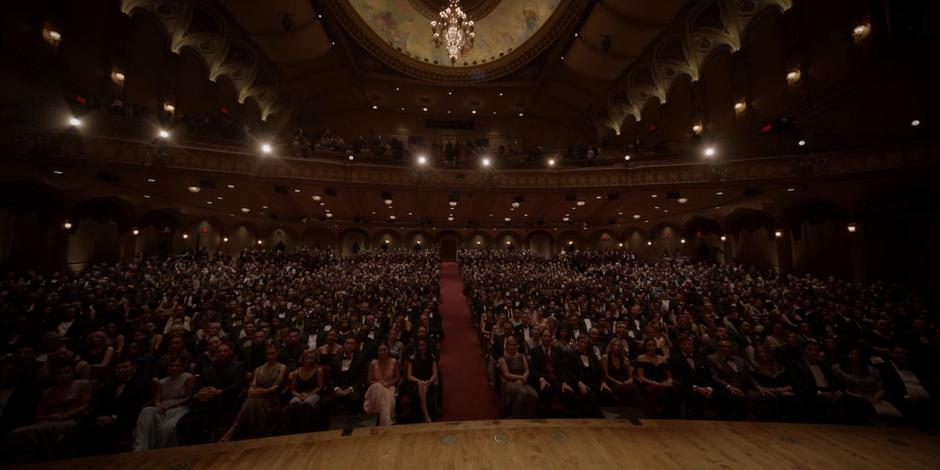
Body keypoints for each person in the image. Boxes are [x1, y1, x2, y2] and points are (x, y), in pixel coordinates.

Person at [10, 359, 92, 460]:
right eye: (59, 373)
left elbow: (85, 406)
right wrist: (49, 417)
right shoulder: (48, 391)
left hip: (74, 419)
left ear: (73, 372)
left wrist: (64, 416)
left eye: (67, 372)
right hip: (50, 420)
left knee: (43, 430)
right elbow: (38, 414)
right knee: (19, 432)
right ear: (54, 376)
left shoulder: (83, 384)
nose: (63, 375)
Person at [219, 344, 286, 441]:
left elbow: (276, 385)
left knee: (252, 401)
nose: (270, 356)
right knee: (252, 400)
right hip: (257, 395)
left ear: (277, 354)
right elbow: (253, 383)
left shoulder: (281, 367)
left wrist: (263, 391)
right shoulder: (259, 369)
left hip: (271, 396)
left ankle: (235, 428)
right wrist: (252, 390)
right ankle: (254, 432)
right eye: (268, 354)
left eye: (272, 354)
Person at [133, 358, 194, 450]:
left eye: (177, 366)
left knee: (165, 427)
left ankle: (162, 449)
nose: (175, 368)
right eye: (172, 366)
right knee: (146, 411)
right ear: (168, 368)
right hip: (163, 406)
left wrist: (170, 406)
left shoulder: (188, 377)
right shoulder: (162, 382)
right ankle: (140, 446)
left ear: (182, 367)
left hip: (179, 407)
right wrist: (160, 406)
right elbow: (157, 400)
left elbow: (188, 397)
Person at [832, 346, 902, 423]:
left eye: (857, 355)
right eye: (851, 354)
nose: (854, 356)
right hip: (851, 397)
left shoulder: (872, 370)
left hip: (871, 398)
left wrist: (875, 399)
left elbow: (880, 389)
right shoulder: (838, 368)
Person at [669, 335, 713, 418]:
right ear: (680, 345)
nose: (687, 346)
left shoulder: (700, 357)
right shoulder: (675, 358)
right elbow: (677, 377)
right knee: (695, 397)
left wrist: (709, 387)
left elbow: (706, 374)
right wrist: (696, 388)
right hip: (686, 386)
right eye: (684, 344)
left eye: (690, 344)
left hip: (702, 386)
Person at [601, 338, 647, 412]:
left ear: (621, 348)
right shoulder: (605, 357)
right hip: (612, 383)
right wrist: (619, 383)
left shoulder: (625, 359)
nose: (616, 347)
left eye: (619, 345)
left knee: (632, 387)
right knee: (633, 388)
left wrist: (626, 382)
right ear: (611, 346)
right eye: (614, 345)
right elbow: (606, 375)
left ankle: (635, 412)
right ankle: (645, 412)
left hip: (624, 383)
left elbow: (631, 377)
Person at [636, 338, 679, 417]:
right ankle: (659, 413)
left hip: (663, 382)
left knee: (674, 388)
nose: (652, 347)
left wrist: (668, 382)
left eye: (654, 345)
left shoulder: (662, 359)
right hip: (649, 383)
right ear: (645, 347)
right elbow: (641, 377)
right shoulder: (641, 358)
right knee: (659, 389)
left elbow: (669, 376)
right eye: (650, 345)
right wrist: (657, 383)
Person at [498, 337, 538, 418]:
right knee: (522, 392)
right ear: (507, 346)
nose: (512, 347)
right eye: (510, 345)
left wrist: (523, 379)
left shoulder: (521, 356)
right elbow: (506, 374)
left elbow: (527, 370)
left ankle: (528, 418)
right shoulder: (503, 359)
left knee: (534, 395)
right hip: (509, 383)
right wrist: (521, 377)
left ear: (517, 346)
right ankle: (516, 418)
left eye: (514, 345)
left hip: (522, 382)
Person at [287, 349, 324, 433]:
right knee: (294, 404)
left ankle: (305, 431)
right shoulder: (297, 372)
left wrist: (308, 395)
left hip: (314, 393)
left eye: (312, 358)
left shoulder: (319, 370)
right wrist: (299, 395)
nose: (309, 360)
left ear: (315, 360)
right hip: (299, 394)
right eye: (307, 358)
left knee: (306, 405)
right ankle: (292, 431)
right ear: (303, 359)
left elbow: (320, 387)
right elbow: (292, 389)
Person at [364, 343, 400, 426]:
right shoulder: (373, 363)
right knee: (378, 387)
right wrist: (380, 383)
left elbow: (397, 377)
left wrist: (388, 383)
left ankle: (383, 422)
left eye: (384, 350)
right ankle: (386, 422)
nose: (382, 352)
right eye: (380, 350)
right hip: (375, 388)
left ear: (388, 351)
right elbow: (369, 380)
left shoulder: (394, 362)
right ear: (377, 352)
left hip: (389, 386)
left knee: (388, 399)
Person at [406, 338, 438, 423]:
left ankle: (425, 415)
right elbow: (409, 376)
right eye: (420, 345)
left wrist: (430, 381)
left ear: (427, 346)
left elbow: (435, 373)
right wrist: (418, 381)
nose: (422, 347)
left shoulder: (432, 357)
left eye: (424, 345)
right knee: (420, 384)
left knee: (423, 385)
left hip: (428, 383)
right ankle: (426, 415)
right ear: (417, 346)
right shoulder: (412, 358)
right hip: (415, 384)